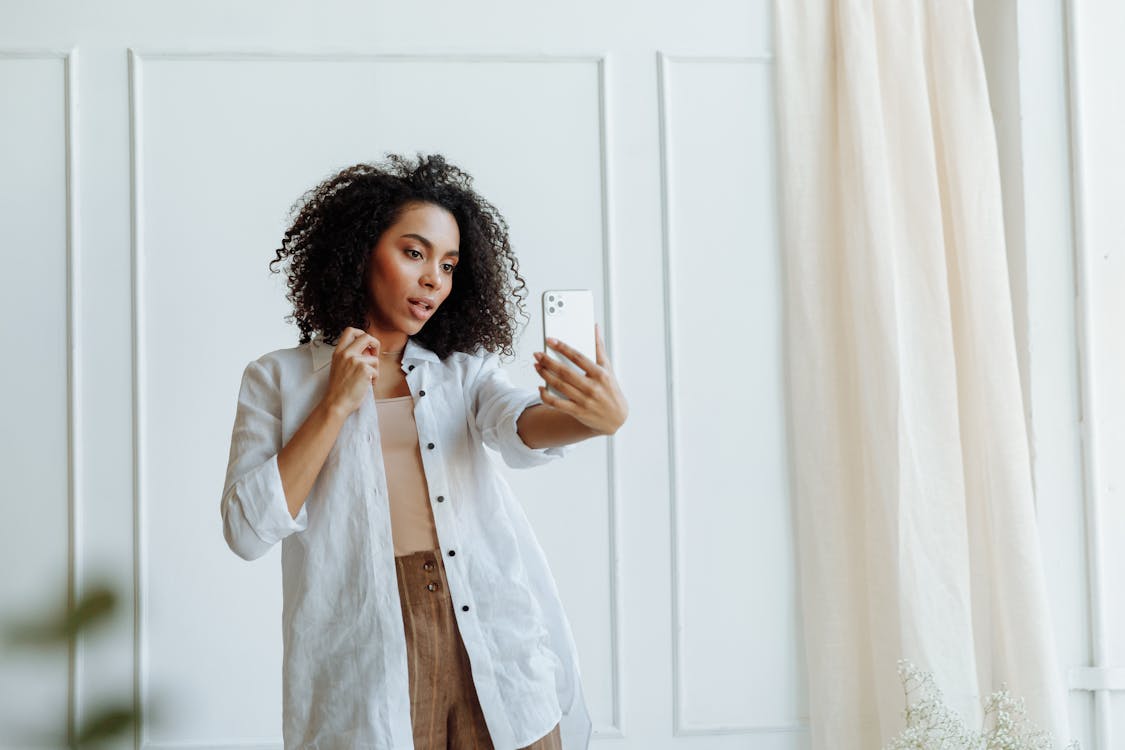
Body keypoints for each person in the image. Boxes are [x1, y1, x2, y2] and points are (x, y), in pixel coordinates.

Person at [219, 152, 628, 750]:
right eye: (414, 252)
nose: (435, 278)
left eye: (449, 263)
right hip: (367, 646)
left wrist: (592, 421)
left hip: (487, 623)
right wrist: (334, 405)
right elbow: (246, 531)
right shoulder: (277, 380)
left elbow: (516, 423)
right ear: (361, 251)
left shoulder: (462, 373)